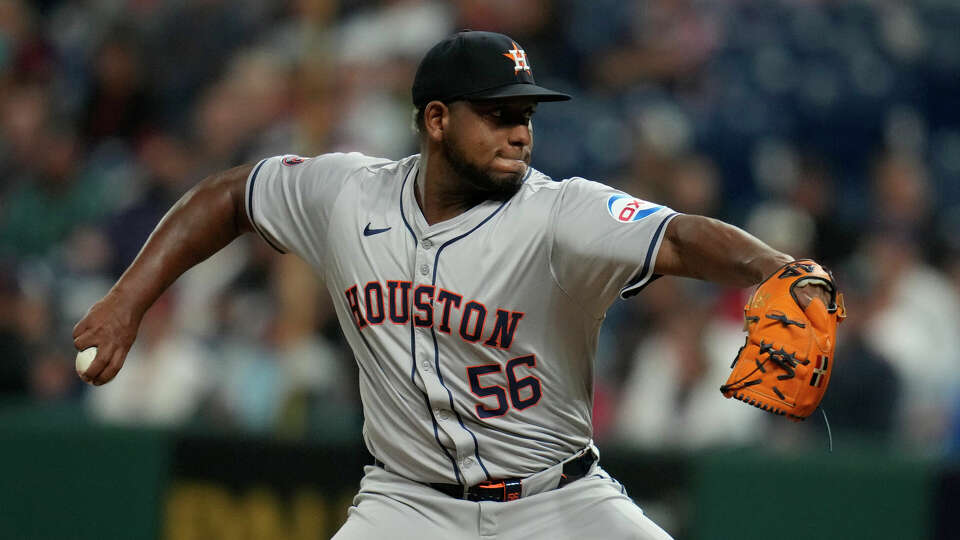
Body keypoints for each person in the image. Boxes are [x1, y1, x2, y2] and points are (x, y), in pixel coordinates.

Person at [73, 31, 829, 540]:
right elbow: (231, 195)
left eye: (526, 115)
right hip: (406, 504)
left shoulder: (560, 213)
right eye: (498, 115)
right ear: (436, 120)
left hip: (556, 501)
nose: (521, 133)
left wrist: (778, 269)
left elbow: (681, 236)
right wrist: (128, 298)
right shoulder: (348, 196)